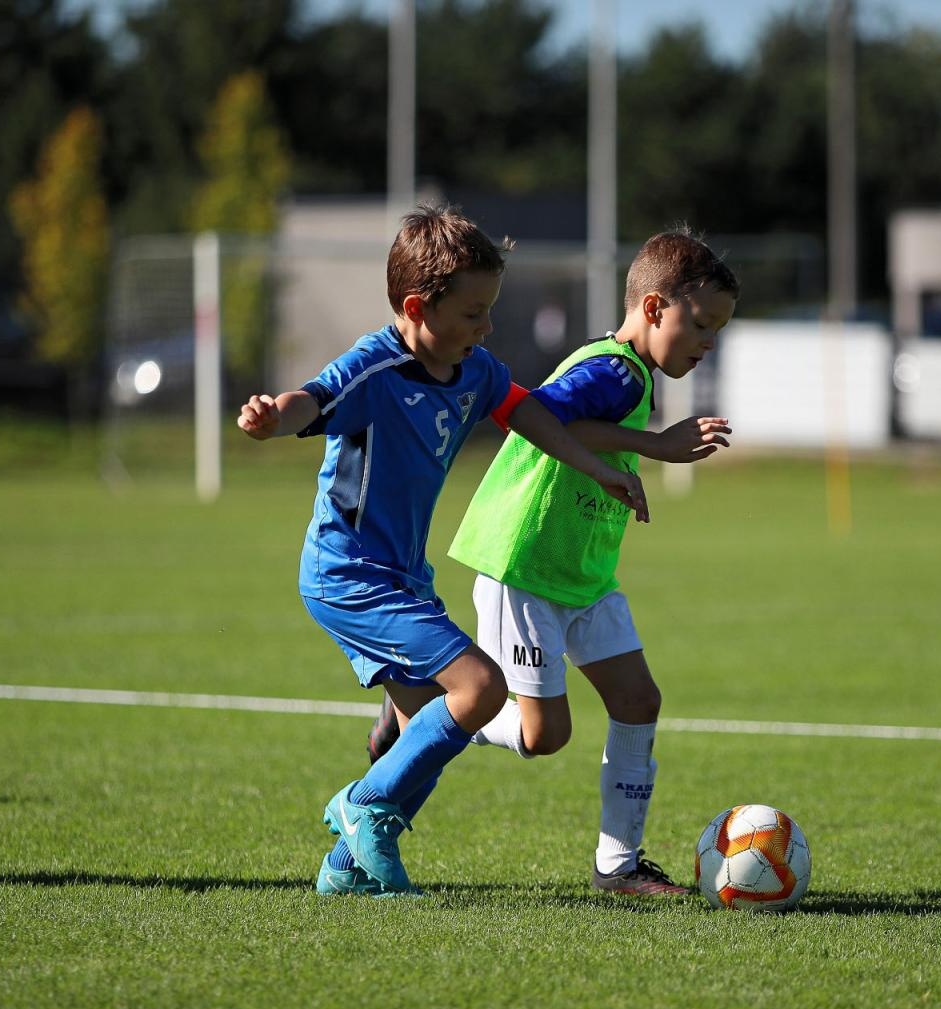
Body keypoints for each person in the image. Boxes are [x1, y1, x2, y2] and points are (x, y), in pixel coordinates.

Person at [237, 204, 649, 898]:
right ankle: (364, 804)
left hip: (401, 575)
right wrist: (276, 417)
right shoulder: (377, 366)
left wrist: (598, 465)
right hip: (348, 573)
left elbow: (529, 413)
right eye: (472, 313)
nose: (485, 328)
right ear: (416, 306)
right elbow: (313, 398)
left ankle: (348, 869)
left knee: (422, 726)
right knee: (481, 687)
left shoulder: (474, 371)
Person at [370, 227, 738, 895]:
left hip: (583, 570)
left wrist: (622, 467)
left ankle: (618, 866)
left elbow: (581, 433)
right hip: (528, 564)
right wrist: (652, 448)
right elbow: (536, 415)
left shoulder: (629, 372)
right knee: (544, 736)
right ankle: (421, 711)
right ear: (654, 308)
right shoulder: (611, 368)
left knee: (638, 699)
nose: (707, 343)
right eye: (701, 323)